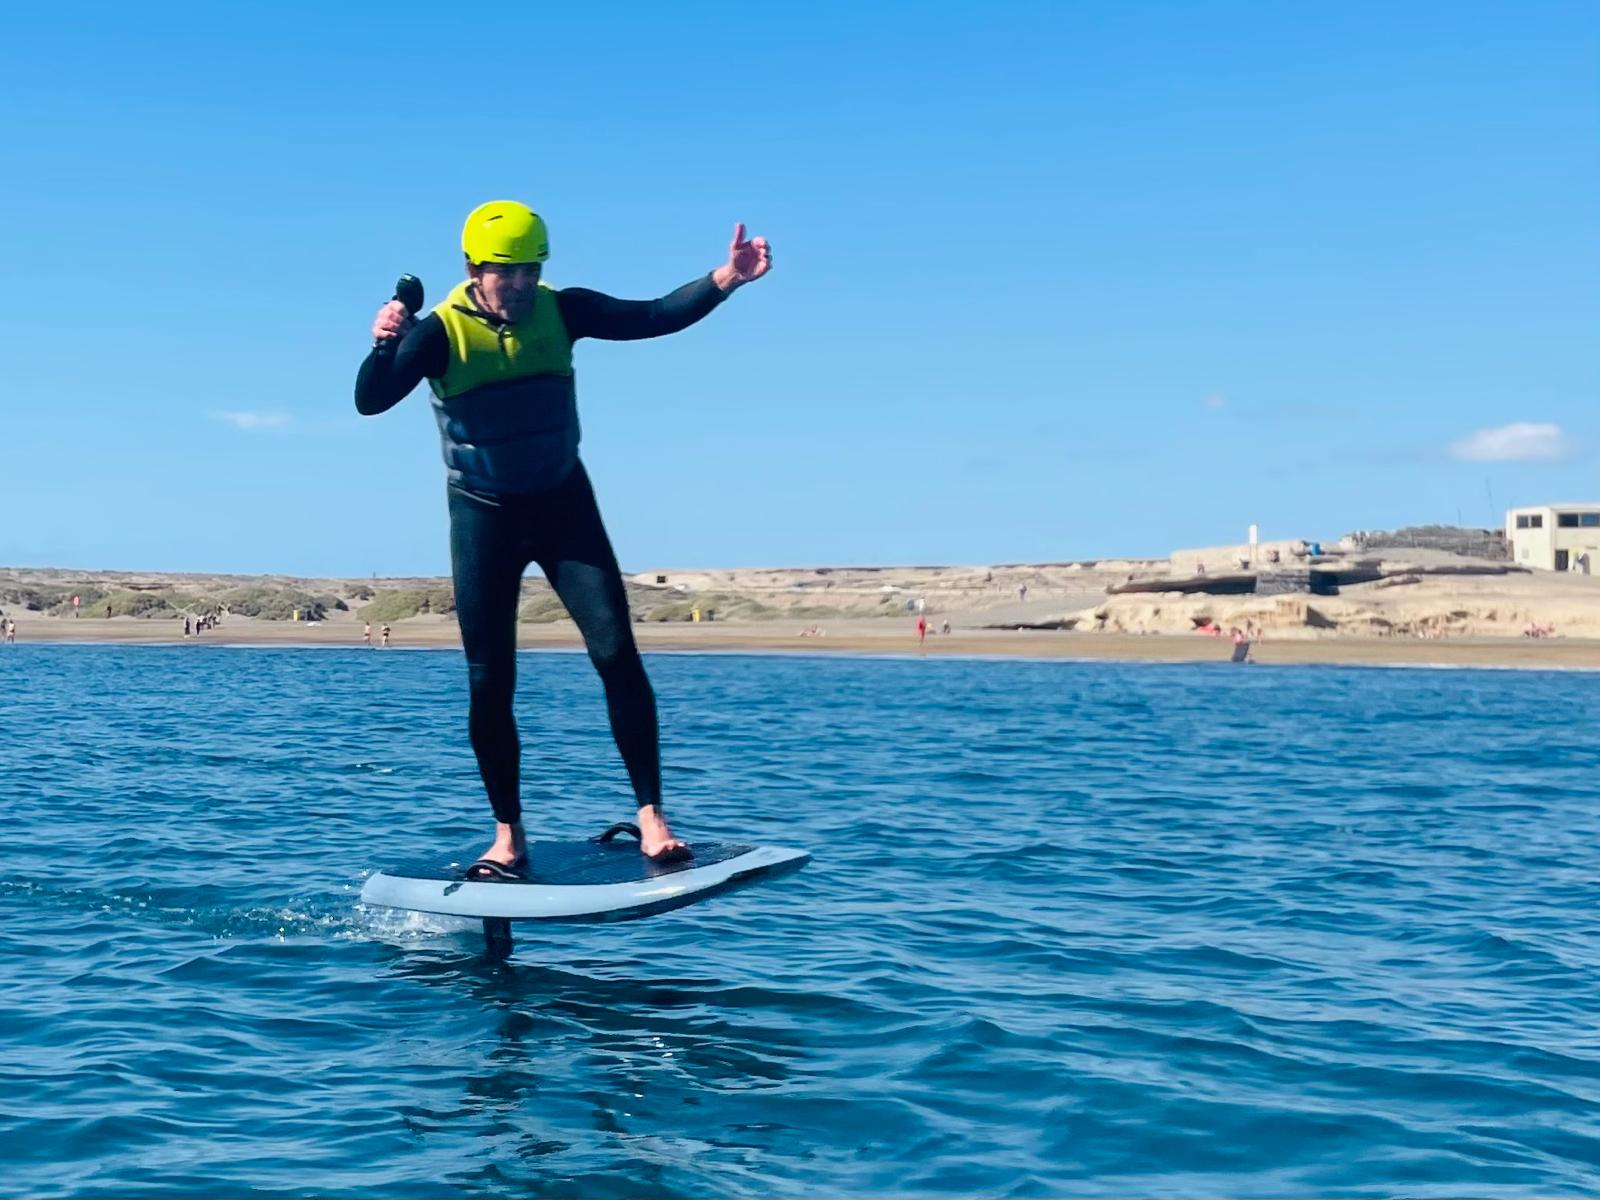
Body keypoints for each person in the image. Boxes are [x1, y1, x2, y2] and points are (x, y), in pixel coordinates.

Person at [354, 201, 771, 878]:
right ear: (474, 269)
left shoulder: (563, 310)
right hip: (483, 514)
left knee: (617, 653)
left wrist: (726, 279)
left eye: (531, 270)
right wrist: (383, 343)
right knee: (491, 680)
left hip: (562, 504)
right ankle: (508, 837)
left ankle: (652, 818)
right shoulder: (438, 334)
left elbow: (651, 316)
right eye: (507, 272)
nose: (521, 284)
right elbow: (370, 399)